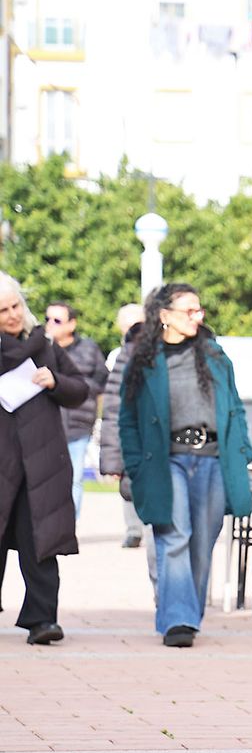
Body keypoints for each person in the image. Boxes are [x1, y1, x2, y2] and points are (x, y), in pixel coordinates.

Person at [118, 283, 252, 648]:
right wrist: (134, 465)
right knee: (175, 535)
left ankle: (185, 615)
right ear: (165, 316)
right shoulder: (144, 361)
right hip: (168, 461)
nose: (198, 316)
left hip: (212, 459)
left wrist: (242, 451)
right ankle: (178, 620)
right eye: (189, 310)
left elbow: (235, 408)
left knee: (202, 543)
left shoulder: (214, 355)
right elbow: (127, 420)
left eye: (199, 310)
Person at [0, 273, 89, 645]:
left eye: (15, 306)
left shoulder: (45, 345)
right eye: (2, 310)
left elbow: (81, 389)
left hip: (41, 465)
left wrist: (55, 381)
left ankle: (42, 620)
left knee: (39, 543)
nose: (11, 315)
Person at [43, 302, 107, 518]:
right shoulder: (40, 348)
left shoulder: (88, 348)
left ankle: (70, 523)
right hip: (48, 424)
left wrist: (77, 390)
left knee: (74, 476)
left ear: (71, 324)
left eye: (57, 320)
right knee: (46, 478)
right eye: (47, 319)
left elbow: (102, 378)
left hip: (78, 423)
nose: (50, 324)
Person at [100, 303, 149, 549]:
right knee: (127, 480)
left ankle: (148, 526)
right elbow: (112, 405)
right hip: (129, 429)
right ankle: (133, 529)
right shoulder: (116, 357)